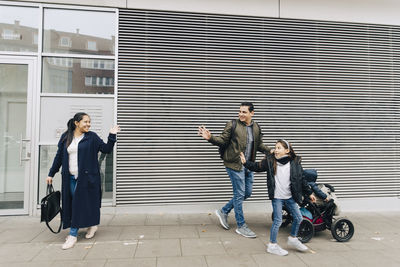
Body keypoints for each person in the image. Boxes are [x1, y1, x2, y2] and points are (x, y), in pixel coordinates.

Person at [46, 112, 120, 249]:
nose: (88, 124)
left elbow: (106, 149)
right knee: (76, 204)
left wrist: (112, 135)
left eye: (89, 122)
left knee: (78, 205)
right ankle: (92, 225)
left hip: (86, 178)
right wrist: (51, 174)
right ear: (76, 123)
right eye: (85, 122)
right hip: (70, 178)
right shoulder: (65, 137)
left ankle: (73, 235)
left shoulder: (91, 137)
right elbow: (58, 157)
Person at [198, 102, 270, 238]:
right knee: (239, 194)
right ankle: (241, 226)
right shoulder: (232, 124)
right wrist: (210, 138)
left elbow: (259, 144)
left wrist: (270, 151)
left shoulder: (256, 127)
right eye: (240, 111)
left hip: (248, 165)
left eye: (244, 112)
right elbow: (223, 140)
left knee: (246, 193)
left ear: (252, 113)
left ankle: (223, 211)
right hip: (234, 165)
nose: (241, 114)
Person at [240, 139, 316, 256]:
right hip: (277, 197)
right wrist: (245, 163)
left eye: (279, 148)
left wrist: (310, 193)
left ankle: (293, 239)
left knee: (298, 218)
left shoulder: (295, 162)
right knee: (278, 221)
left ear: (287, 150)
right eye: (275, 147)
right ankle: (272, 245)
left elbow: (302, 179)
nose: (276, 150)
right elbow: (257, 167)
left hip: (290, 197)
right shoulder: (270, 161)